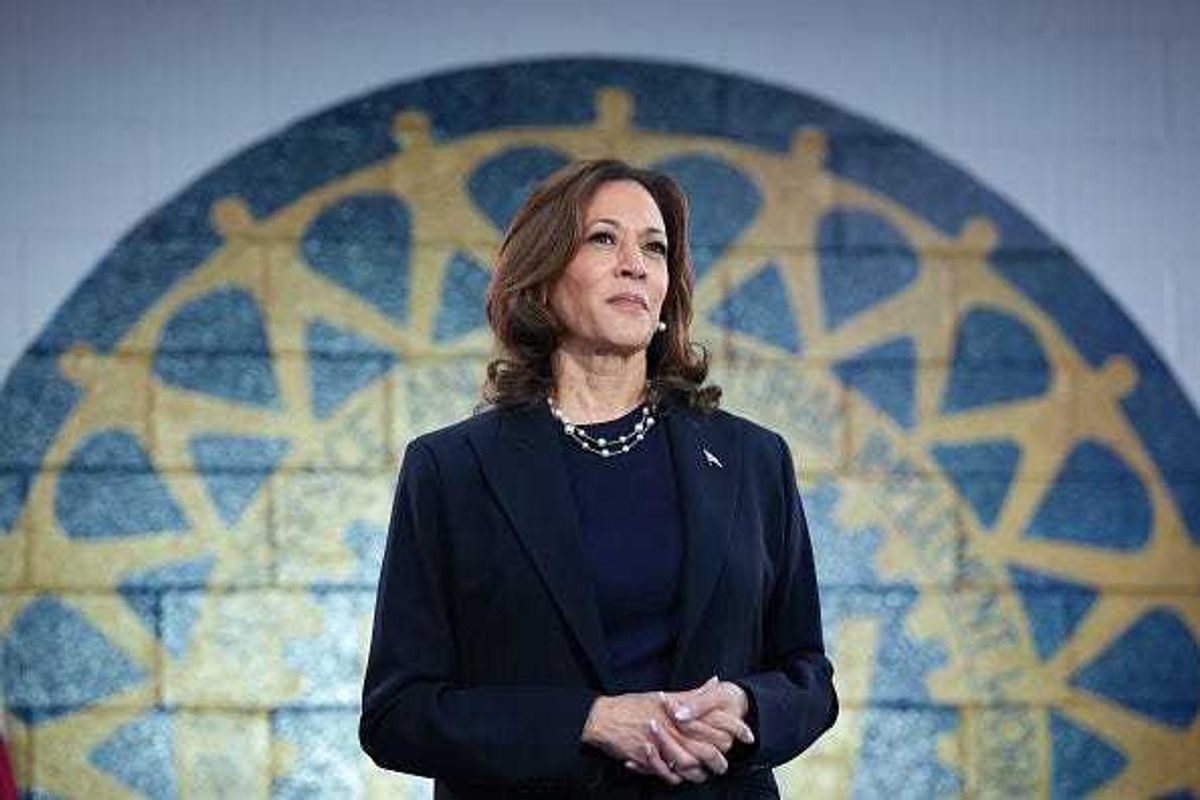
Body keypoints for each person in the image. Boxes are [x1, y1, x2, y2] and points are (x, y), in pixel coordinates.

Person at [359, 159, 837, 799]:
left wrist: (748, 707)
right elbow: (398, 715)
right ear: (543, 277)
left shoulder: (754, 460)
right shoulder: (451, 471)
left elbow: (808, 676)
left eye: (655, 247)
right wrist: (587, 722)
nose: (635, 264)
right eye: (604, 239)